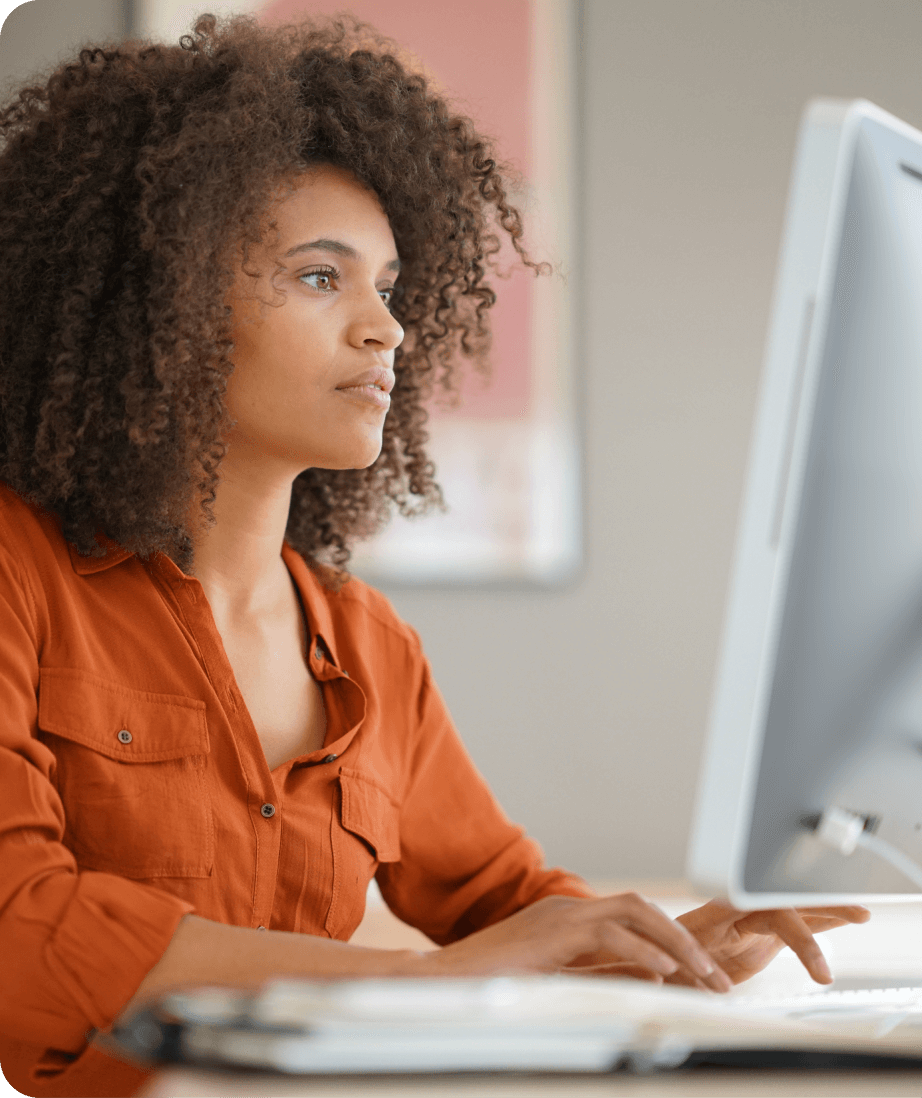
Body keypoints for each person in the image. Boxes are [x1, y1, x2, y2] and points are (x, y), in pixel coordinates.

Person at [0, 14, 869, 1098]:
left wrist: (673, 953)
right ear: (160, 299)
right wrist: (433, 983)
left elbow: (509, 908)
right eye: (322, 277)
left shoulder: (370, 649)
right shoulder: (18, 572)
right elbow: (19, 930)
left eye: (391, 287)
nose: (386, 329)